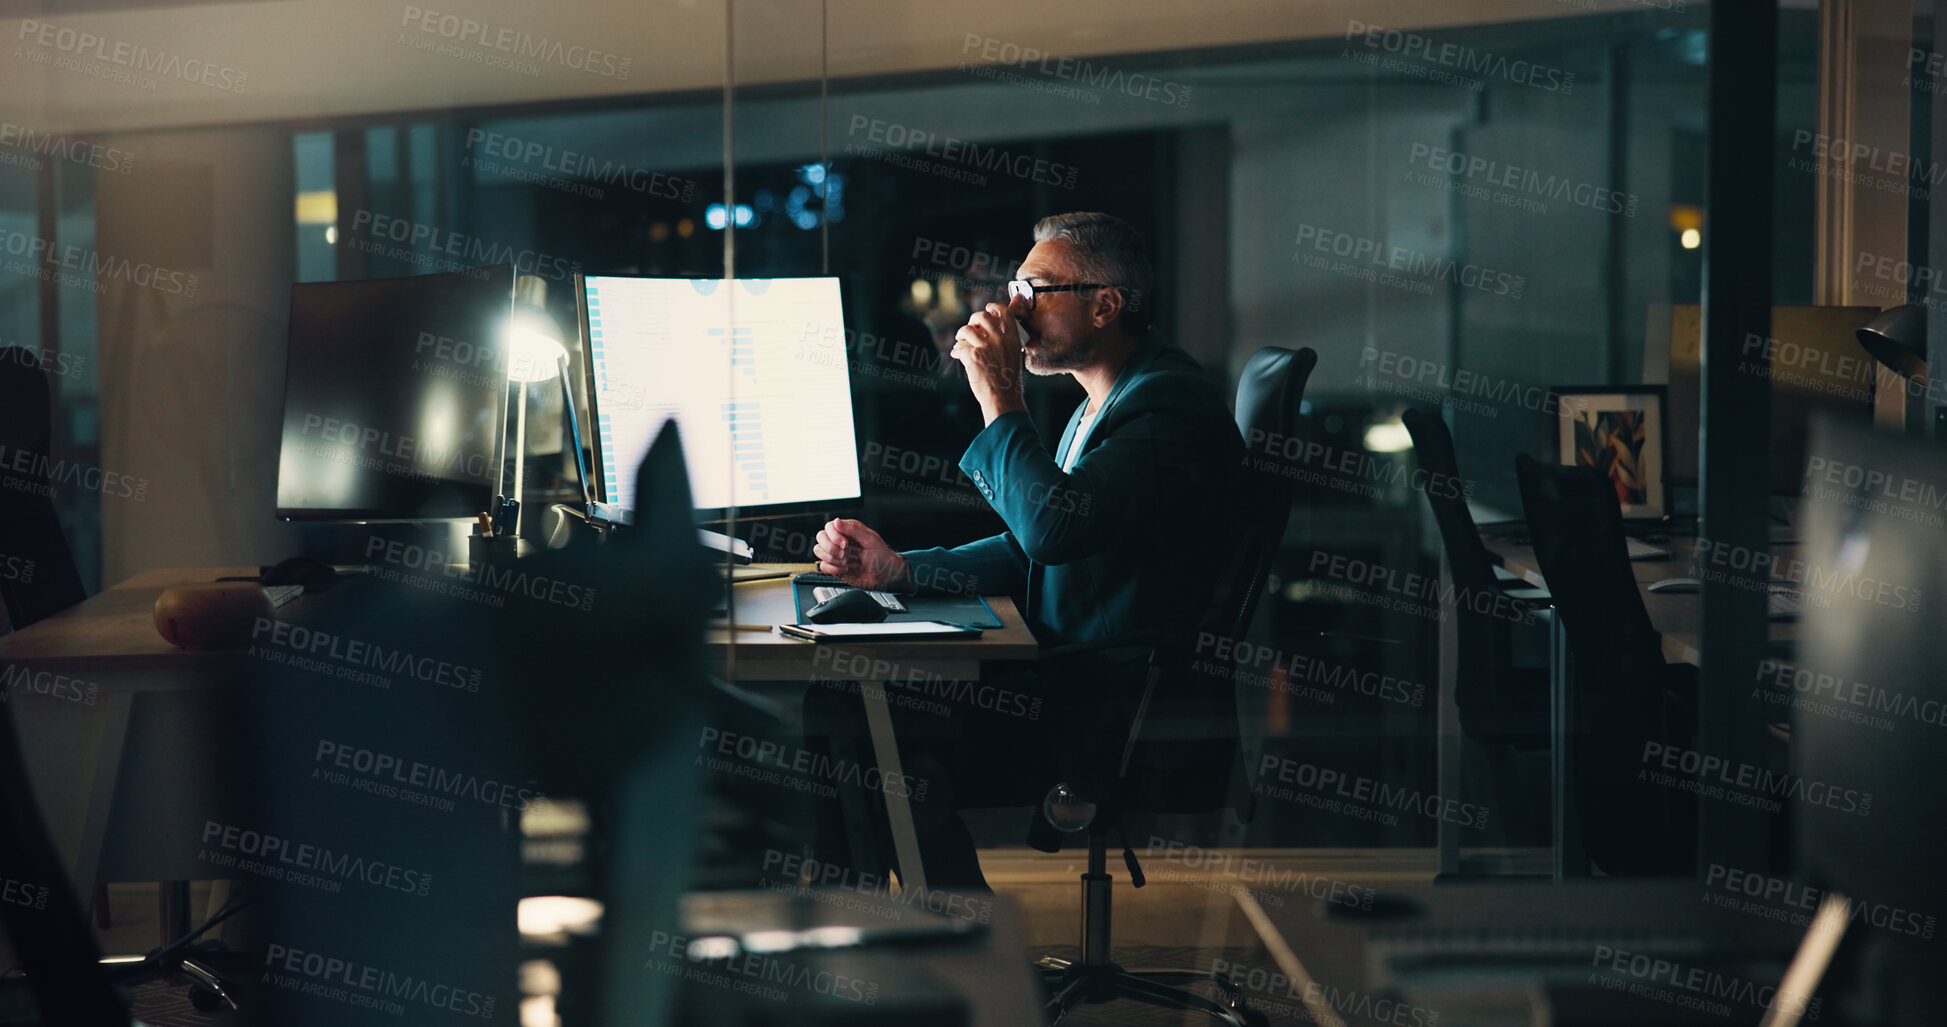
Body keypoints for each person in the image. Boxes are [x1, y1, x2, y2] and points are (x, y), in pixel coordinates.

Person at [802, 212, 1244, 889]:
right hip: (1076, 677)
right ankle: (907, 945)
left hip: (1112, 709)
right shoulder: (1109, 398)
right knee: (846, 714)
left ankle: (957, 951)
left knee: (865, 734)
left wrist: (999, 394)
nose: (1011, 307)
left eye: (1034, 289)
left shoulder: (1164, 412)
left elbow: (1049, 532)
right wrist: (902, 570)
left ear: (1105, 305)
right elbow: (1030, 547)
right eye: (1013, 286)